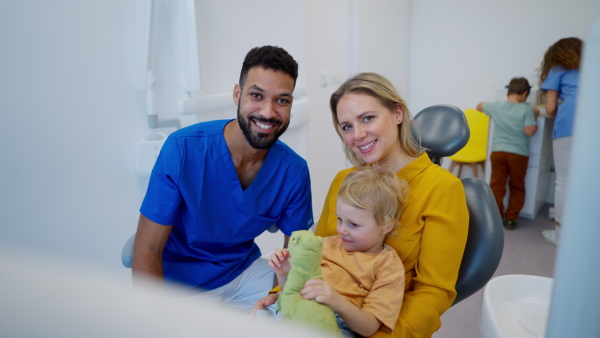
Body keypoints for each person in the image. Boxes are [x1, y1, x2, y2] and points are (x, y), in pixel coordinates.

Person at [254, 72, 469, 338]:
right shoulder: (345, 181)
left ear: (397, 114)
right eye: (346, 126)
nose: (358, 134)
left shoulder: (443, 189)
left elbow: (433, 293)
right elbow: (315, 255)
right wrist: (282, 296)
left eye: (368, 118)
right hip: (319, 315)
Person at [132, 45, 314, 312]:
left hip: (244, 273)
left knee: (318, 314)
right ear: (237, 94)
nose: (268, 112)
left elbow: (295, 254)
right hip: (182, 286)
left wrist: (278, 304)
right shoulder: (183, 150)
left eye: (282, 100)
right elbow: (147, 249)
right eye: (256, 95)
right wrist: (156, 318)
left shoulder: (293, 171)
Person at [267, 166, 407, 337]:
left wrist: (337, 301)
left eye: (353, 224)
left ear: (386, 225)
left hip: (335, 324)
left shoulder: (388, 266)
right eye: (340, 219)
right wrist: (284, 274)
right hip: (295, 310)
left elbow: (370, 326)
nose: (342, 230)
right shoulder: (326, 244)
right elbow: (293, 290)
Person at [475, 77, 539, 229]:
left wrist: (488, 105)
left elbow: (479, 106)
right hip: (518, 154)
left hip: (498, 152)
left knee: (497, 186)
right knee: (517, 186)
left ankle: (496, 217)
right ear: (524, 94)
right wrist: (535, 112)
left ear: (507, 92)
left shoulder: (497, 106)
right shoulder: (526, 109)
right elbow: (529, 131)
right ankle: (511, 219)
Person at [538, 37, 582, 246]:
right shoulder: (590, 70)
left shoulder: (557, 70)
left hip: (568, 126)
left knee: (563, 181)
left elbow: (550, 108)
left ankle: (560, 235)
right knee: (582, 182)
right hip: (591, 129)